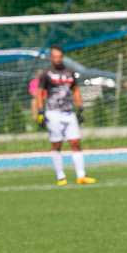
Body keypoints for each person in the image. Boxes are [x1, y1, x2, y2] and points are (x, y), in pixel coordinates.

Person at [35, 45, 96, 186]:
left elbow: (76, 89)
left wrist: (80, 107)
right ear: (51, 58)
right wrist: (40, 111)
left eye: (60, 57)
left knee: (76, 142)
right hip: (53, 113)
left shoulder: (70, 71)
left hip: (69, 112)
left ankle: (81, 175)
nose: (57, 59)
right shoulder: (46, 73)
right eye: (55, 57)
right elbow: (39, 92)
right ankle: (61, 176)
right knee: (56, 144)